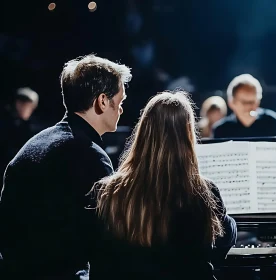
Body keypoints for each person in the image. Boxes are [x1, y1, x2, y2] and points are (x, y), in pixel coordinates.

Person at [0, 54, 131, 279]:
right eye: (120, 102)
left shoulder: (33, 144)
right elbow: (107, 245)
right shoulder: (91, 158)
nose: (120, 109)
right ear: (102, 101)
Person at [89, 91, 237, 280]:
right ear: (188, 135)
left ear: (144, 130)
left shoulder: (108, 192)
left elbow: (99, 258)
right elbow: (220, 246)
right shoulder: (203, 192)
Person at [212, 74, 276, 140]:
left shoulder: (271, 122)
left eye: (253, 102)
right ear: (232, 103)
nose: (249, 106)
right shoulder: (221, 130)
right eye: (244, 102)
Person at [0, 87, 40, 173]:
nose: (23, 108)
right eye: (21, 103)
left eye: (27, 105)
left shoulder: (36, 127)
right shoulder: (5, 123)